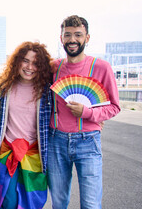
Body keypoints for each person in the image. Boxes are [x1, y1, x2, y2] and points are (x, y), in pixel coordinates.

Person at [48, 15, 121, 209]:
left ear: (87, 38)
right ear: (61, 38)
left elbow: (114, 106)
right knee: (59, 202)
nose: (72, 40)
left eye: (78, 35)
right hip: (56, 141)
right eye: (68, 35)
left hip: (88, 141)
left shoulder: (102, 67)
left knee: (90, 204)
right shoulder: (53, 68)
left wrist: (88, 113)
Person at [0, 41, 53, 209]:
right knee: (8, 199)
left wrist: (91, 117)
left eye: (35, 63)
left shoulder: (47, 91)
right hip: (8, 151)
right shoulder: (4, 87)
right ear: (17, 61)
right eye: (25, 61)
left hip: (34, 155)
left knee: (30, 203)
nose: (29, 67)